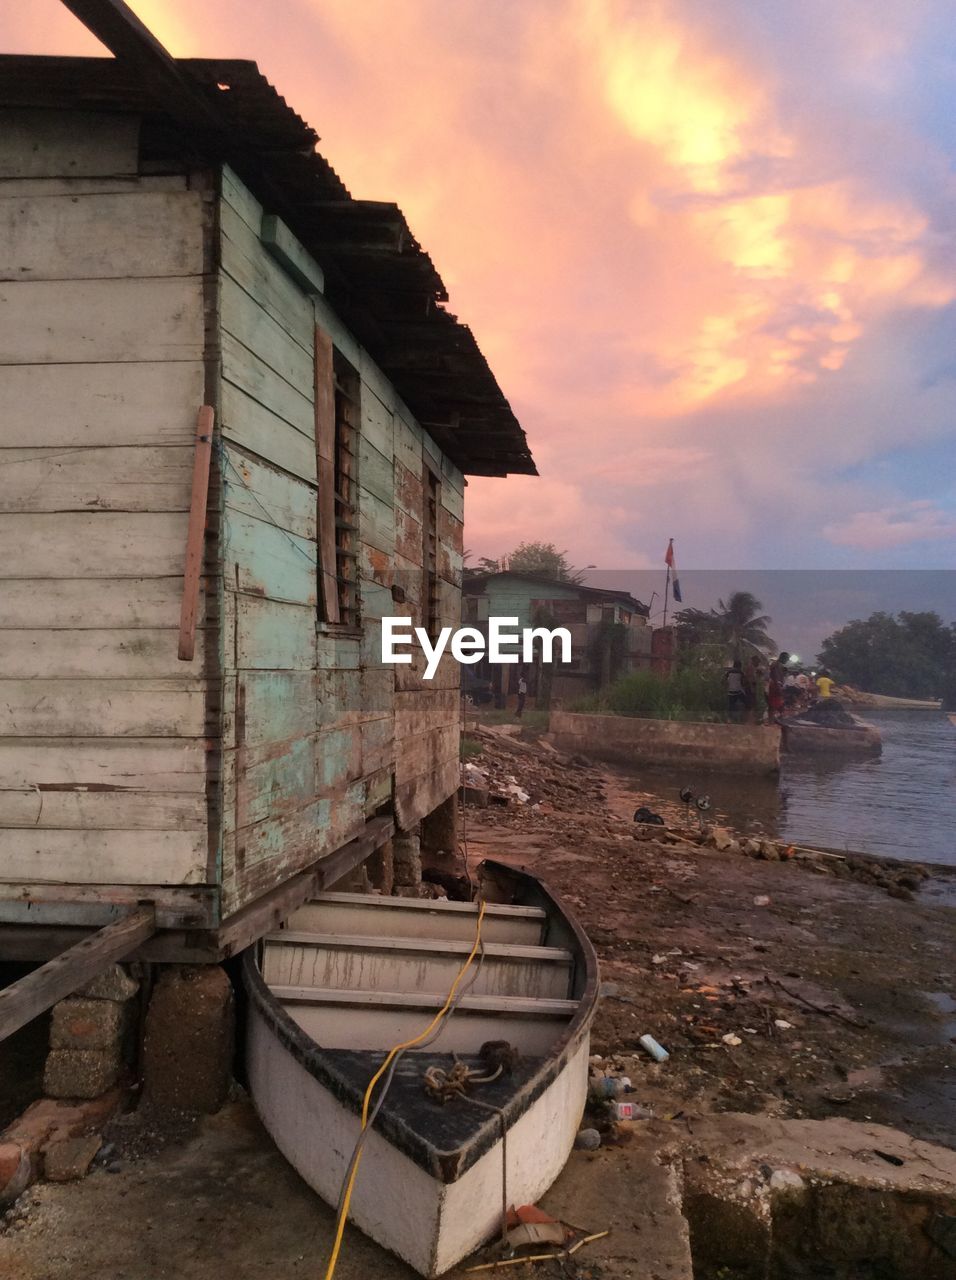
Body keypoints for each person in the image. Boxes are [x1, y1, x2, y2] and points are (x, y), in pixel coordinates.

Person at [767, 652, 790, 723]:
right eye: (787, 659)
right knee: (774, 704)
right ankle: (771, 720)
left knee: (775, 704)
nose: (787, 661)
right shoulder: (777, 665)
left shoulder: (777, 664)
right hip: (776, 686)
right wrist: (779, 688)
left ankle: (773, 719)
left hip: (775, 685)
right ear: (783, 657)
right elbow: (776, 678)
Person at [725, 659, 747, 723]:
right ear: (739, 666)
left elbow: (723, 680)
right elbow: (744, 681)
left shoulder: (729, 672)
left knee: (731, 705)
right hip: (738, 691)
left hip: (730, 691)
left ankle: (729, 719)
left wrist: (727, 685)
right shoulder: (740, 672)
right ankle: (743, 718)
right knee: (746, 702)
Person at [747, 654, 766, 723]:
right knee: (751, 705)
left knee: (753, 704)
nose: (758, 663)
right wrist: (752, 688)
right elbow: (750, 679)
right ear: (754, 661)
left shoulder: (754, 668)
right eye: (758, 662)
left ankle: (751, 720)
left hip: (753, 688)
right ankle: (749, 720)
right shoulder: (751, 668)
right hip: (750, 688)